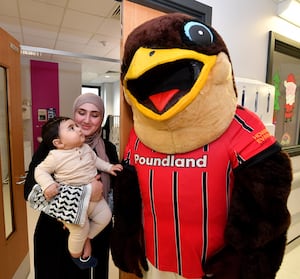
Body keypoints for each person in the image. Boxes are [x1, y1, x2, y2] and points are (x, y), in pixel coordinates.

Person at [24, 93, 120, 279]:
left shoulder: (108, 149)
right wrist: (87, 192)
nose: (86, 120)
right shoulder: (52, 148)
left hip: (97, 231)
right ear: (74, 113)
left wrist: (89, 235)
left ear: (102, 118)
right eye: (81, 112)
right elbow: (31, 191)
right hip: (58, 231)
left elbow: (114, 189)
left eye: (95, 114)